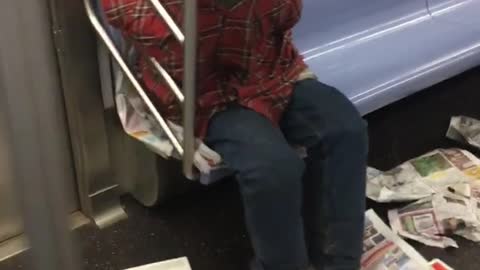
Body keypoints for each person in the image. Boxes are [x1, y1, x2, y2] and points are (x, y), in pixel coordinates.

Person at [102, 1, 368, 269]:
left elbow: (287, 15)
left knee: (345, 129)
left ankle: (340, 262)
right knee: (273, 169)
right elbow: (128, 17)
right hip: (205, 95)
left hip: (270, 69)